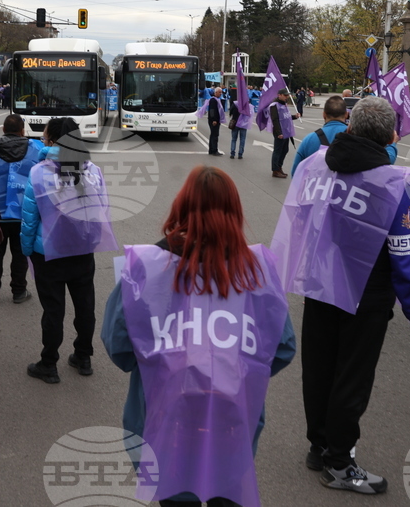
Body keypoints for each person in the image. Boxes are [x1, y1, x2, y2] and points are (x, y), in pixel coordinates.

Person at [101, 166, 296, 506]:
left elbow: (118, 345)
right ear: (235, 211)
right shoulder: (258, 270)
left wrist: (160, 362)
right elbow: (282, 347)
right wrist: (237, 368)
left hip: (163, 417)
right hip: (232, 419)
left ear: (181, 207)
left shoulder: (146, 267)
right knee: (227, 491)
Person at [271, 96, 410, 494]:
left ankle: (319, 445)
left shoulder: (314, 165)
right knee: (352, 378)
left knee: (320, 368)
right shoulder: (394, 185)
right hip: (368, 294)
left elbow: (298, 220)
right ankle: (340, 464)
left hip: (320, 282)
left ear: (349, 126)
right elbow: (407, 262)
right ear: (392, 136)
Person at [21, 117, 117, 383]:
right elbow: (102, 210)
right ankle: (83, 356)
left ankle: (48, 363)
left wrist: (27, 248)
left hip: (48, 254)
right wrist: (92, 240)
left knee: (53, 311)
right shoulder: (92, 170)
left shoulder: (39, 172)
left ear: (50, 140)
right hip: (82, 250)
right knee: (85, 306)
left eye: (44, 136)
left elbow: (30, 217)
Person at [0, 114, 42, 305]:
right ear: (22, 131)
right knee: (20, 253)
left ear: (3, 130)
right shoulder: (35, 150)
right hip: (24, 213)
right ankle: (19, 291)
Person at [267, 89, 300, 178]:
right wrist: (279, 132)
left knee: (285, 150)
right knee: (278, 151)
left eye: (287, 95)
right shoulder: (274, 105)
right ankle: (275, 170)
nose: (287, 97)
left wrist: (295, 117)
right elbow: (275, 120)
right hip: (280, 132)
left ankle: (279, 167)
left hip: (286, 131)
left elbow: (287, 117)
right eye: (285, 95)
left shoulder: (283, 104)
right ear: (279, 95)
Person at [197, 87, 225, 156]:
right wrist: (214, 120)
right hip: (214, 120)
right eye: (219, 92)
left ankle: (211, 150)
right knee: (214, 135)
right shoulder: (213, 100)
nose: (220, 94)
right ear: (215, 93)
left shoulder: (216, 100)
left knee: (213, 135)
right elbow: (212, 111)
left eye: (221, 92)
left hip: (215, 120)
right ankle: (214, 150)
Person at [228, 89, 253, 160]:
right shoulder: (247, 105)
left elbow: (230, 112)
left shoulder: (235, 103)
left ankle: (232, 153)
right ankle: (240, 154)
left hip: (235, 123)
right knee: (242, 139)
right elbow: (250, 114)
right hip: (244, 124)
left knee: (234, 139)